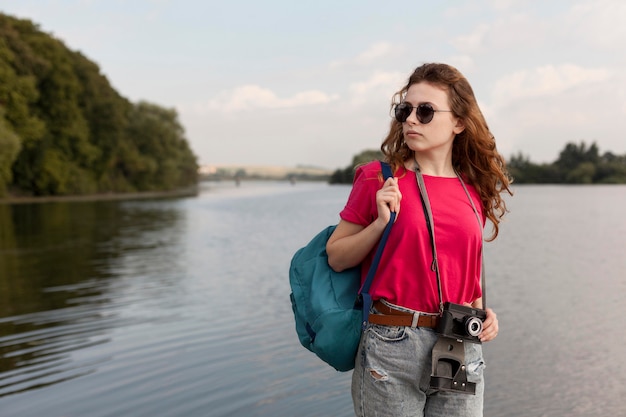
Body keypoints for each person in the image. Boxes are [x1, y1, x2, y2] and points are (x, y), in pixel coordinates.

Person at [326, 62, 512, 417]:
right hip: (392, 344)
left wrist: (485, 313)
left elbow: (464, 275)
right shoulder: (378, 178)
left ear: (459, 122)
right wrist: (380, 223)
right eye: (405, 110)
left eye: (425, 111)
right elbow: (336, 257)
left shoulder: (473, 191)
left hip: (460, 345)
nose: (411, 119)